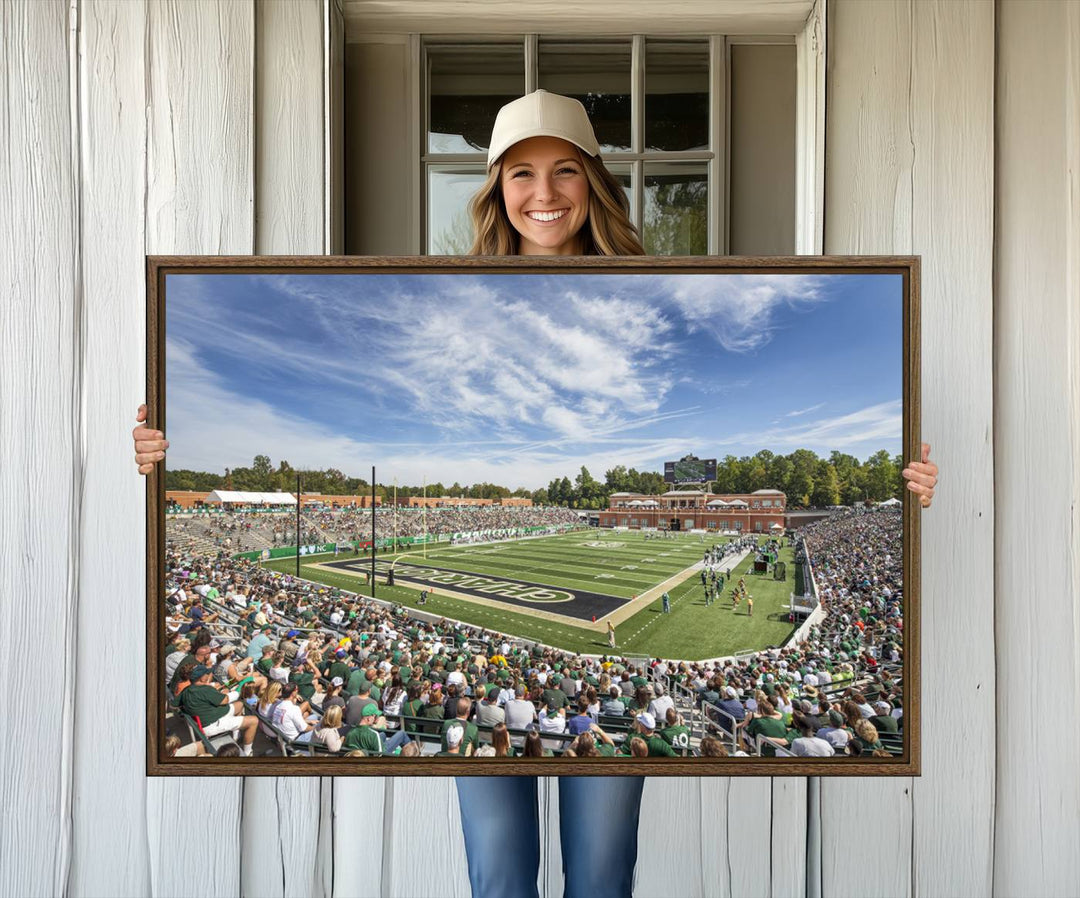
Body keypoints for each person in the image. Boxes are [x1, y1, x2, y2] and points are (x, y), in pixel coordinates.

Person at [133, 88, 940, 898]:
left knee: (599, 876)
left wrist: (905, 488)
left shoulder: (656, 286)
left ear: (593, 181)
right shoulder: (445, 292)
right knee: (499, 876)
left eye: (564, 171)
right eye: (521, 173)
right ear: (496, 188)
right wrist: (160, 453)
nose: (544, 193)